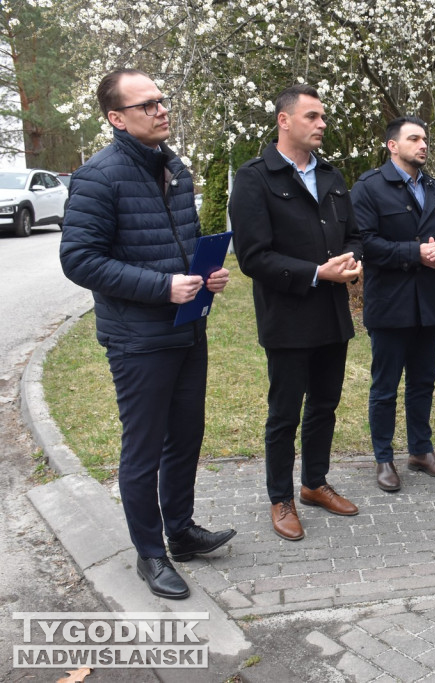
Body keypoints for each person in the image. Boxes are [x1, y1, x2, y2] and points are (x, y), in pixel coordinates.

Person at [60, 69, 236, 600]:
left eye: (162, 99)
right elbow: (79, 259)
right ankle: (150, 554)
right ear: (116, 118)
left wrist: (205, 275)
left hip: (187, 330)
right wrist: (163, 287)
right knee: (144, 450)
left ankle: (179, 533)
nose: (161, 109)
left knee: (185, 438)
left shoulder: (173, 167)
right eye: (147, 105)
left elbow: (173, 244)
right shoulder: (99, 176)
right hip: (138, 339)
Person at [230, 84, 363, 542]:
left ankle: (313, 483)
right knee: (285, 413)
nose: (322, 123)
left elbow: (356, 235)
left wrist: (352, 260)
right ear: (284, 121)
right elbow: (253, 257)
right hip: (287, 318)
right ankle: (279, 498)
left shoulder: (331, 175)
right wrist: (315, 272)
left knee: (324, 405)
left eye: (322, 116)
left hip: (332, 315)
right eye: (312, 116)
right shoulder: (255, 178)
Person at [350, 116, 435, 492]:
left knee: (423, 383)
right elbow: (365, 242)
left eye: (425, 138)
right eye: (414, 138)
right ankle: (383, 458)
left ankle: (421, 450)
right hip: (390, 303)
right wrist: (417, 253)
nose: (423, 144)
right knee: (385, 386)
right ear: (392, 146)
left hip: (427, 303)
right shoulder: (369, 187)